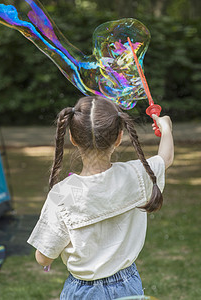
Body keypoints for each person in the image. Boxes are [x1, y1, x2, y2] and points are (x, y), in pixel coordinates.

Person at [27, 96, 174, 299]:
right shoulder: (136, 175)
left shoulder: (63, 193)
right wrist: (166, 129)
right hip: (128, 286)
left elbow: (43, 257)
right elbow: (165, 159)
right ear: (119, 137)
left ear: (73, 138)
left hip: (83, 291)